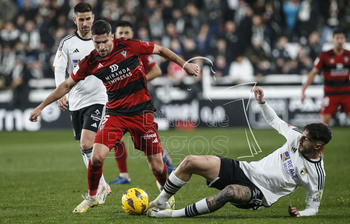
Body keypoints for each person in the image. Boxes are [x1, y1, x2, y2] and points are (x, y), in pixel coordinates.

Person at [29, 19, 199, 213]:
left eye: (104, 42)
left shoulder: (129, 46)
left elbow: (160, 50)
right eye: (96, 43)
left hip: (141, 113)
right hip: (115, 114)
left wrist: (184, 64)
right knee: (96, 157)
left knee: (158, 166)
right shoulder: (91, 61)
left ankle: (166, 196)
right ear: (92, 40)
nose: (101, 47)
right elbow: (66, 85)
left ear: (111, 37)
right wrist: (41, 107)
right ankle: (93, 196)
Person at [148, 86, 332, 218]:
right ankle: (161, 201)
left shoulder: (317, 174)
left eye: (306, 139)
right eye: (303, 135)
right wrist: (262, 102)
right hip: (245, 169)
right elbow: (275, 121)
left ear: (318, 146)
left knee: (229, 192)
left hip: (260, 193)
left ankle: (171, 215)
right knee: (190, 161)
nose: (301, 139)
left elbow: (313, 208)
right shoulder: (296, 136)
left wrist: (302, 213)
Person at [52, 3, 111, 204]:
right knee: (84, 147)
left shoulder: (102, 41)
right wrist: (61, 92)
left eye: (88, 18)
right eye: (81, 19)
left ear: (93, 18)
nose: (85, 23)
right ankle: (103, 183)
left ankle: (98, 189)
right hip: (76, 101)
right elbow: (59, 68)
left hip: (98, 98)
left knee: (87, 143)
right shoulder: (67, 43)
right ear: (74, 20)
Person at [108, 20, 173, 186]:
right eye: (120, 33)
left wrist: (137, 80)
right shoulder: (110, 51)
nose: (123, 36)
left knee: (146, 145)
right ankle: (124, 175)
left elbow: (157, 70)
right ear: (114, 35)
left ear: (132, 35)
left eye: (126, 33)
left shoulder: (138, 49)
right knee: (115, 139)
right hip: (119, 104)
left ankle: (161, 157)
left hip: (139, 102)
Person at [301, 29, 350, 125]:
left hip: (347, 93)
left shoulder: (348, 55)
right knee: (324, 126)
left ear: (345, 40)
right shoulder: (325, 55)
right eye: (337, 38)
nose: (339, 41)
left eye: (341, 38)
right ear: (333, 40)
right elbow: (313, 73)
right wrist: (303, 90)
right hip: (330, 94)